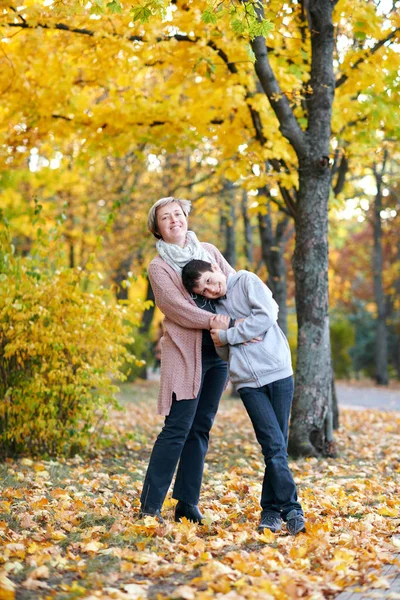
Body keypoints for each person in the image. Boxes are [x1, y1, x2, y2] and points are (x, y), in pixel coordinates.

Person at [181, 259, 306, 536]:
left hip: (278, 373)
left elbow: (268, 315)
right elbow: (225, 352)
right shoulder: (216, 313)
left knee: (278, 447)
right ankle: (293, 510)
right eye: (204, 290)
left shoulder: (246, 281)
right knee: (273, 446)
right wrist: (227, 338)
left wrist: (231, 334)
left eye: (210, 280)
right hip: (247, 383)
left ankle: (271, 512)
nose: (211, 289)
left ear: (215, 268)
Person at [139, 197, 235, 524]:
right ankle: (150, 507)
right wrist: (212, 322)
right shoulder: (159, 267)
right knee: (177, 428)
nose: (174, 220)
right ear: (158, 229)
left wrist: (236, 324)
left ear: (185, 217)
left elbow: (231, 285)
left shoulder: (208, 251)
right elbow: (175, 309)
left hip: (217, 353)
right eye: (166, 218)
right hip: (185, 355)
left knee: (201, 428)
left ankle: (187, 503)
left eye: (177, 214)